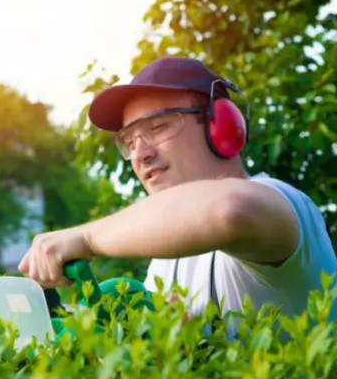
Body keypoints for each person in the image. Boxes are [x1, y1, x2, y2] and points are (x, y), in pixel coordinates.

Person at [18, 56, 337, 326]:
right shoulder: (167, 258)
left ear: (221, 125)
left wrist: (86, 239)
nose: (141, 155)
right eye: (130, 143)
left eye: (158, 127)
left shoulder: (283, 205)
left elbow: (230, 210)